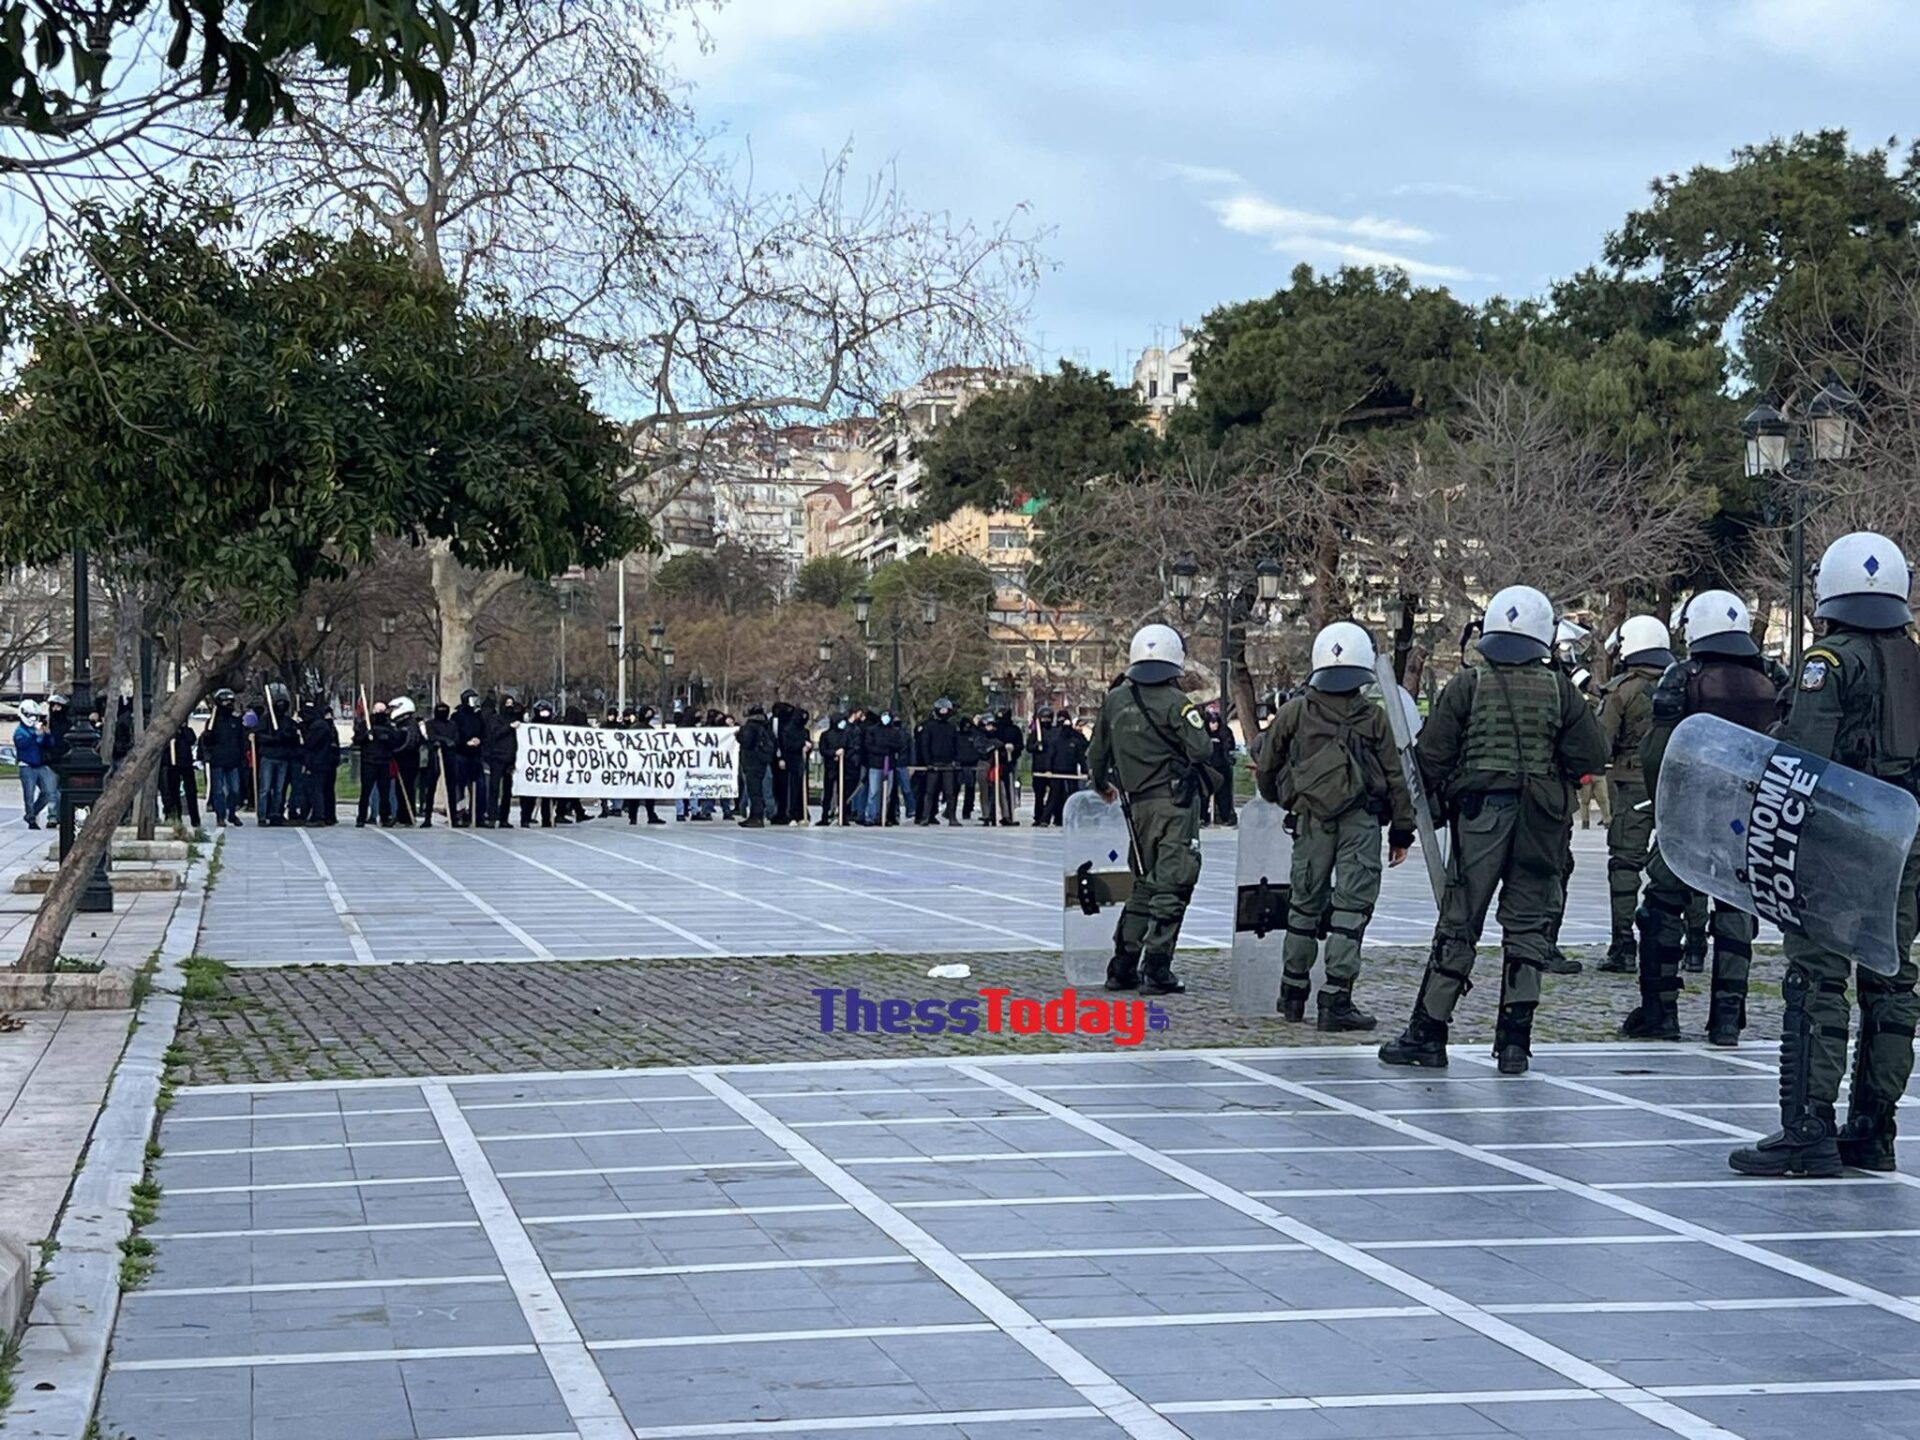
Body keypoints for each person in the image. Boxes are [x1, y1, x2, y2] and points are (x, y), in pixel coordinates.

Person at [1730, 533, 1920, 1178]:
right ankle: (1874, 1128)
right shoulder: (1915, 661)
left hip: (1839, 846)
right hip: (1903, 845)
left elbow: (1802, 762)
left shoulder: (1827, 662)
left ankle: (1807, 1129)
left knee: (1817, 979)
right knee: (1891, 981)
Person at [1379, 585, 1608, 1075]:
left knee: (1460, 920)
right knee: (1527, 925)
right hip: (1543, 821)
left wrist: (1424, 810)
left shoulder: (1469, 685)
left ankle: (1429, 1031)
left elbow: (1431, 758)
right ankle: (1514, 1043)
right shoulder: (1561, 688)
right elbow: (1591, 756)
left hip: (1482, 816)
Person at [1622, 590, 1780, 1048]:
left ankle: (1659, 1011)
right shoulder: (1771, 677)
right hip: (1747, 815)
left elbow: (1658, 751)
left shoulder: (1682, 677)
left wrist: (1661, 803)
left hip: (1691, 811)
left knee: (1660, 908)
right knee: (1736, 910)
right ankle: (1728, 1018)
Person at [1255, 622, 1415, 1031]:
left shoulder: (1295, 711)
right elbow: (1397, 779)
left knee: (1303, 907)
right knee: (1350, 910)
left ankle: (1291, 995)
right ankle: (1336, 1002)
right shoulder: (1374, 717)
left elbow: (1268, 761)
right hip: (1360, 822)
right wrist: (1402, 832)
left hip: (1311, 821)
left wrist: (1281, 797)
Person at [1086, 623, 1215, 997]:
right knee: (1173, 883)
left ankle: (1122, 965)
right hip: (1173, 802)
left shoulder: (1115, 700)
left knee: (1143, 881)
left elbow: (1096, 754)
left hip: (1135, 805)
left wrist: (1101, 784)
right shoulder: (1178, 703)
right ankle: (1157, 968)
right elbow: (1202, 749)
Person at [1594, 616, 1676, 973]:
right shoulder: (1684, 682)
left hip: (1633, 785)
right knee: (1682, 863)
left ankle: (1623, 946)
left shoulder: (1621, 691)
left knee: (1625, 863)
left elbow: (1600, 743)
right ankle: (1693, 947)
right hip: (1678, 784)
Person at [200, 689, 247, 827]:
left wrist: (241, 756)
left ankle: (232, 813)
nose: (229, 705)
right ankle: (220, 816)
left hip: (233, 760)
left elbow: (241, 741)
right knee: (218, 790)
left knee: (235, 789)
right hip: (218, 760)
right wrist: (207, 736)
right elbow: (206, 743)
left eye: (230, 702)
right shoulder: (213, 722)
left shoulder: (236, 721)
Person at [255, 684, 299, 826]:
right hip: (268, 757)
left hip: (283, 758)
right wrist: (273, 738)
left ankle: (276, 815)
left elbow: (294, 737)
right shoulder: (265, 719)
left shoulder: (288, 721)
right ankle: (262, 815)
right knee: (265, 789)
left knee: (279, 790)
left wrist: (285, 736)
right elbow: (258, 736)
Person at [915, 697, 964, 826]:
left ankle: (952, 817)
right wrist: (928, 762)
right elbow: (925, 745)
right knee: (930, 792)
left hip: (948, 764)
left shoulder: (952, 727)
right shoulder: (929, 727)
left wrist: (956, 760)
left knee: (950, 792)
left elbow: (957, 745)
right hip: (934, 764)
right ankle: (926, 817)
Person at [354, 700, 400, 827]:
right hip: (369, 762)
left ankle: (385, 817)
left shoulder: (389, 726)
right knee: (366, 792)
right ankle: (361, 818)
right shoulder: (366, 725)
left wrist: (385, 737)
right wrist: (365, 736)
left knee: (384, 792)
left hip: (384, 762)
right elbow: (357, 740)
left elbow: (396, 742)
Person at [13, 699, 56, 829]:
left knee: (49, 792)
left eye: (35, 715)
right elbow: (22, 744)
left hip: (40, 765)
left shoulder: (35, 729)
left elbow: (49, 744)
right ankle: (31, 819)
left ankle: (31, 814)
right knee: (29, 795)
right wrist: (35, 735)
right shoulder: (20, 731)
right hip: (26, 765)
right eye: (30, 715)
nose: (33, 718)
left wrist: (46, 734)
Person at [519, 700, 561, 827]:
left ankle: (547, 818)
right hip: (533, 764)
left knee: (548, 794)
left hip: (549, 764)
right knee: (529, 794)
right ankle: (525, 818)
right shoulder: (530, 727)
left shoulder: (554, 726)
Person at [480, 696, 520, 828]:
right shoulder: (495, 719)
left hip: (510, 759)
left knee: (508, 791)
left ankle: (504, 818)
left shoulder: (515, 719)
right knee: (494, 788)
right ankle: (491, 816)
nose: (510, 706)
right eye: (507, 703)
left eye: (511, 704)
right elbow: (494, 734)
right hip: (497, 758)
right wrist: (509, 727)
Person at [736, 703, 776, 827]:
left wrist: (738, 736)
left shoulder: (750, 726)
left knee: (754, 792)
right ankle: (757, 816)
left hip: (751, 761)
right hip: (762, 761)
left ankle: (756, 817)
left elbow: (746, 742)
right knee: (758, 790)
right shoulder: (765, 726)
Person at [452, 689, 485, 826]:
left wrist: (479, 740)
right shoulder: (457, 716)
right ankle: (459, 814)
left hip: (476, 755)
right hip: (461, 754)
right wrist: (465, 743)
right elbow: (455, 733)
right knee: (459, 786)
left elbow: (484, 731)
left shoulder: (479, 716)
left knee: (480, 787)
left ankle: (478, 815)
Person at [421, 700, 456, 827]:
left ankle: (453, 815)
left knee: (451, 787)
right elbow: (431, 736)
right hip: (436, 757)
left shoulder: (452, 724)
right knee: (430, 788)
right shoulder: (430, 723)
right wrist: (443, 740)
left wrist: (449, 742)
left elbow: (456, 738)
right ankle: (427, 817)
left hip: (450, 757)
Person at [300, 701, 336, 824]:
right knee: (320, 789)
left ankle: (318, 815)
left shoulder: (318, 726)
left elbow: (310, 743)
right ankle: (321, 815)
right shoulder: (323, 725)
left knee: (316, 789)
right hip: (323, 760)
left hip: (318, 761)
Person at [1203, 706, 1239, 828]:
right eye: (1212, 722)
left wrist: (1228, 759)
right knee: (1203, 793)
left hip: (1221, 767)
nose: (1214, 725)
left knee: (1224, 793)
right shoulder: (1203, 732)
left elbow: (1229, 746)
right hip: (1206, 767)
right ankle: (1202, 816)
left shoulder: (1225, 732)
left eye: (1216, 722)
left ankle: (1225, 816)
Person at [990, 708, 1023, 825]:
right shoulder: (996, 730)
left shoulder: (1014, 730)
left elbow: (1020, 745)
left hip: (1010, 761)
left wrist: (1014, 749)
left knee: (1010, 788)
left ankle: (1009, 813)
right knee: (998, 789)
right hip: (997, 762)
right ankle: (998, 814)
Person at [390, 698, 420, 823]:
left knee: (407, 788)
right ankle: (402, 814)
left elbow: (410, 743)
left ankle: (408, 814)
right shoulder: (400, 723)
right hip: (402, 760)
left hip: (409, 761)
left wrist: (395, 751)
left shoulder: (410, 724)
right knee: (400, 789)